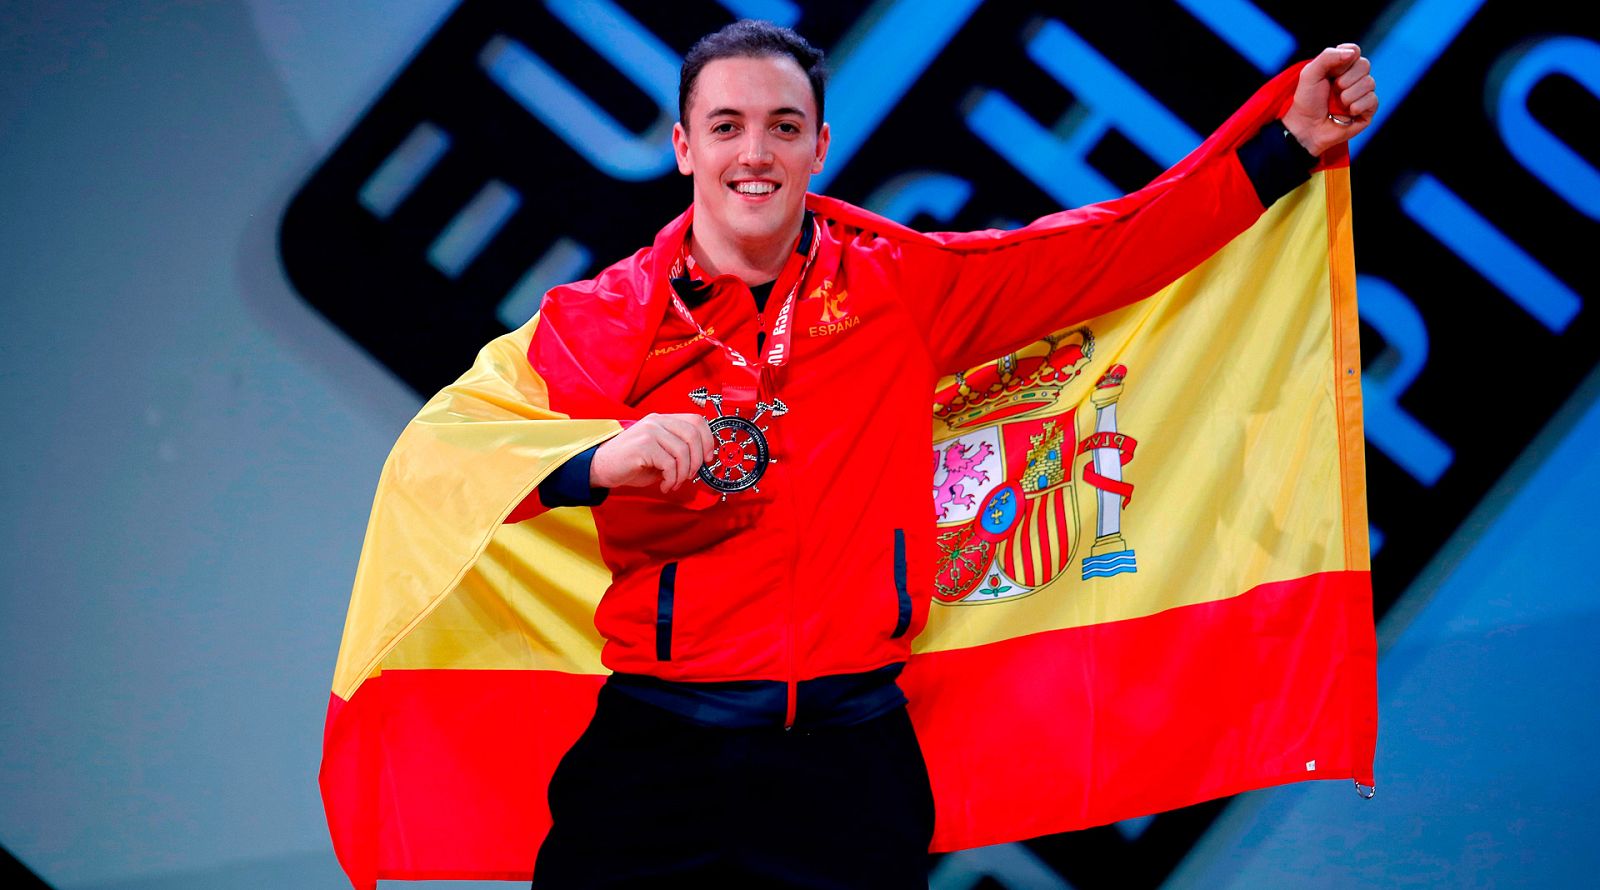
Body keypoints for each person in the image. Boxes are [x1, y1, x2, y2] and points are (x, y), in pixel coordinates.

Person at [516, 19, 1378, 889]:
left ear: (818, 146)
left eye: (783, 126)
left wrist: (1285, 148)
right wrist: (591, 463)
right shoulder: (601, 317)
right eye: (726, 125)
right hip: (656, 756)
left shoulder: (898, 286)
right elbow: (479, 460)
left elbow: (1105, 250)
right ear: (682, 146)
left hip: (847, 759)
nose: (756, 152)